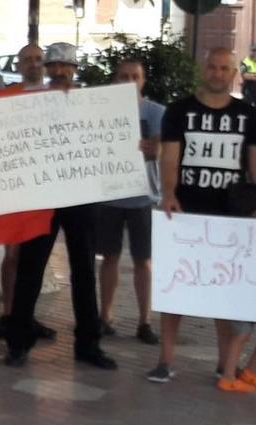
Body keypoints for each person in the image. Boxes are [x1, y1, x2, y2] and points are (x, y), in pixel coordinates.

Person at [149, 47, 256, 391]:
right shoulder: (180, 110)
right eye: (213, 66)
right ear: (203, 69)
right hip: (186, 211)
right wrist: (169, 193)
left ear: (234, 73)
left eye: (225, 68)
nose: (218, 73)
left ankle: (226, 365)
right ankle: (166, 361)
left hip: (232, 214)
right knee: (174, 288)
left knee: (226, 291)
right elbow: (169, 158)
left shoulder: (248, 115)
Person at [2, 42, 117, 370]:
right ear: (48, 70)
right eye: (54, 66)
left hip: (81, 195)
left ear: (74, 69)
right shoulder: (28, 100)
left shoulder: (91, 102)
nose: (59, 71)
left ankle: (88, 344)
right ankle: (18, 342)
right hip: (42, 196)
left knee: (84, 270)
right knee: (30, 268)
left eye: (65, 66)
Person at [96, 59, 164, 346]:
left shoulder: (157, 112)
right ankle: (105, 316)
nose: (128, 81)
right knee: (109, 257)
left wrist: (155, 148)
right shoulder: (99, 110)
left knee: (143, 262)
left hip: (143, 197)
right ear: (114, 80)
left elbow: (163, 149)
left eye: (134, 77)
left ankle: (144, 321)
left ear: (143, 81)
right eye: (123, 76)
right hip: (109, 196)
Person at [0, 43, 56, 342]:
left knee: (37, 258)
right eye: (28, 59)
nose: (33, 64)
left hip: (46, 188)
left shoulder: (56, 98)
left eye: (39, 59)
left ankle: (26, 315)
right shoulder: (6, 97)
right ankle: (9, 314)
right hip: (14, 184)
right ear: (18, 65)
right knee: (14, 253)